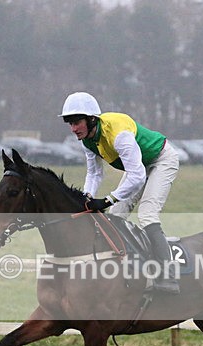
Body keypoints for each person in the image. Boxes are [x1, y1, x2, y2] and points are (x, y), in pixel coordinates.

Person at [60, 91, 180, 294]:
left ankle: (168, 276)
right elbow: (95, 173)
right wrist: (87, 198)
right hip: (139, 167)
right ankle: (126, 271)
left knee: (147, 214)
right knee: (115, 217)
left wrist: (107, 200)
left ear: (91, 119)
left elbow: (137, 177)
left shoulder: (118, 134)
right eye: (69, 123)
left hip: (161, 160)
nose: (73, 129)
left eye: (76, 122)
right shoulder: (87, 139)